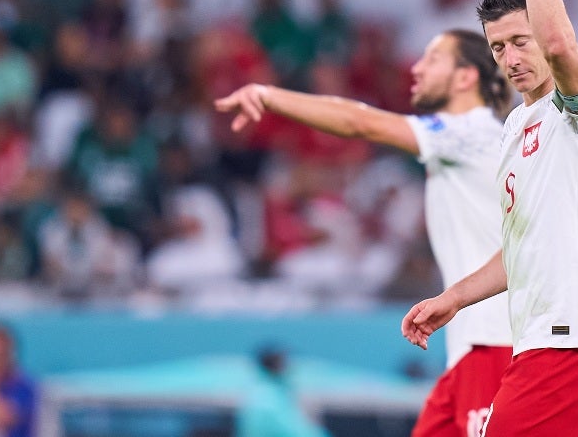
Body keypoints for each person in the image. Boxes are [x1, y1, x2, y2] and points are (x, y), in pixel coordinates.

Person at [401, 0, 578, 437]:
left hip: (568, 342)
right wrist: (452, 298)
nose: (510, 58)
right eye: (498, 46)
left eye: (519, 41)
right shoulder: (513, 129)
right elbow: (520, 251)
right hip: (550, 341)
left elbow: (560, 43)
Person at [215, 27, 514, 437]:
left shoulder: (471, 132)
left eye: (434, 58)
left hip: (497, 341)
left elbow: (360, 123)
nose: (418, 67)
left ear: (466, 78)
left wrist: (270, 97)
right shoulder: (471, 138)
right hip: (473, 348)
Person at [235, 346, 332, 437]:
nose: (290, 365)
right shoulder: (269, 395)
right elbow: (295, 431)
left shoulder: (260, 391)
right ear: (276, 366)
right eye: (285, 362)